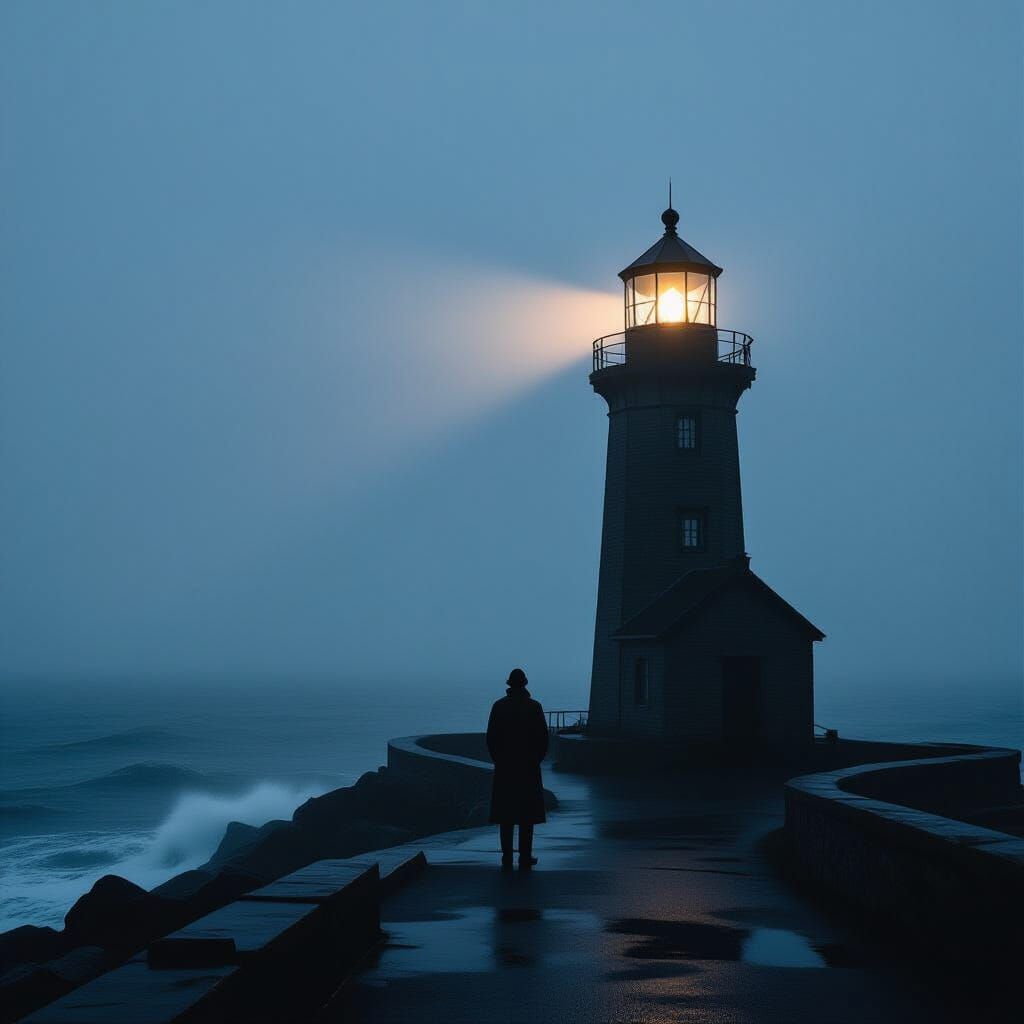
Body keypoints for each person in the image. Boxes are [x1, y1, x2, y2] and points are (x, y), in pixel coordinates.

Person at [486, 668, 549, 870]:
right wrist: (535, 759)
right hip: (528, 766)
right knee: (526, 816)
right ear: (525, 684)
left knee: (506, 816)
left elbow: (491, 739)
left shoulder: (498, 707)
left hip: (505, 767)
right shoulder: (534, 707)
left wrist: (499, 759)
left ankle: (506, 856)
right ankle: (525, 856)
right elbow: (543, 739)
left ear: (509, 685)